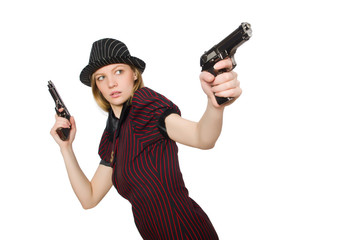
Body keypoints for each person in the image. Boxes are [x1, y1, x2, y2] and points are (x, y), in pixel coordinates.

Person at [50, 38, 241, 240]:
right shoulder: (113, 136)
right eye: (101, 77)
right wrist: (66, 147)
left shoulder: (147, 107)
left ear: (134, 74)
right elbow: (89, 198)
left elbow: (202, 138)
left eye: (118, 71)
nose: (111, 83)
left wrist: (215, 105)